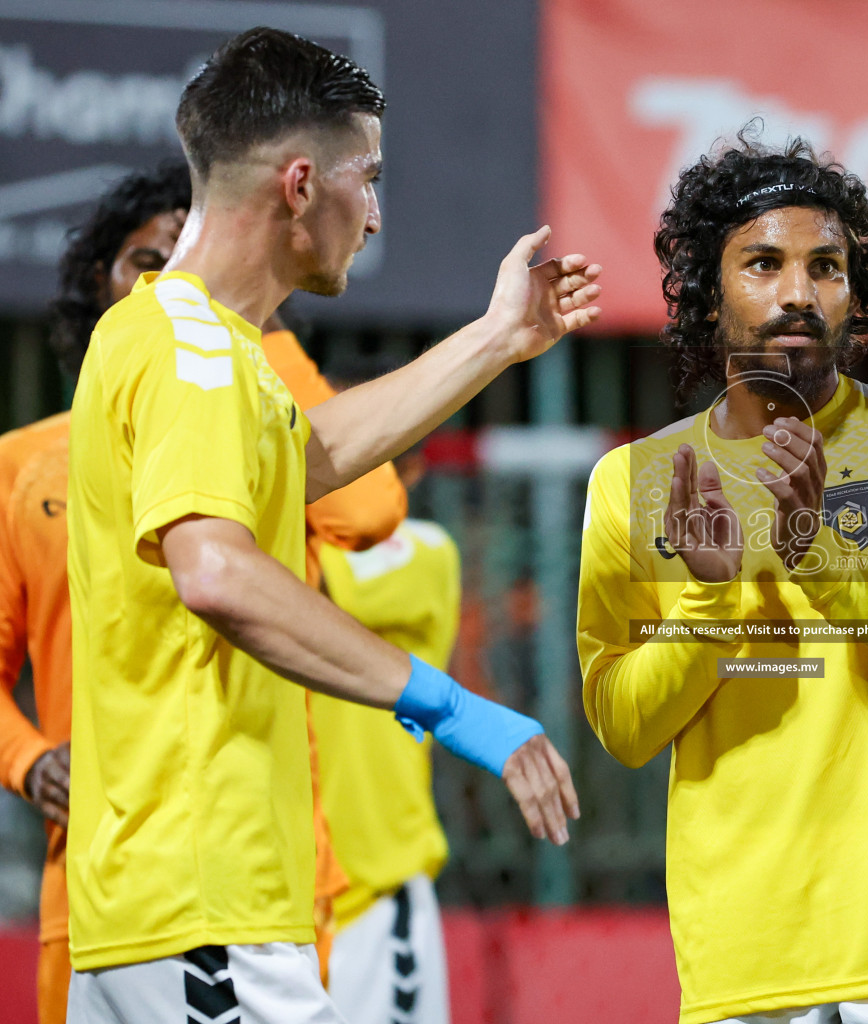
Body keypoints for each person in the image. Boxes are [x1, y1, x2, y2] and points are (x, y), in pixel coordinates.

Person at [64, 27, 597, 1023]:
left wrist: (493, 341)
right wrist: (448, 705)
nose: (381, 216)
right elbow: (216, 571)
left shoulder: (178, 340)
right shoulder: (197, 355)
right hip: (204, 895)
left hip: (159, 900)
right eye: (372, 180)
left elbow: (304, 460)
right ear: (301, 184)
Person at [578, 135, 868, 1024]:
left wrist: (825, 565)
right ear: (707, 294)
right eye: (764, 263)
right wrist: (707, 606)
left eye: (826, 266)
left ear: (855, 293)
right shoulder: (636, 481)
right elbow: (624, 727)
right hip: (745, 965)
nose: (797, 292)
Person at [0, 158, 405, 1024]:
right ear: (95, 285)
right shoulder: (23, 466)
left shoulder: (250, 414)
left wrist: (252, 327)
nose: (173, 282)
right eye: (147, 264)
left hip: (262, 873)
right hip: (110, 876)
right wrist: (26, 758)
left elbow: (372, 512)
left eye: (189, 257)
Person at [310, 426, 460, 1024]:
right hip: (280, 893)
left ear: (413, 473)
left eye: (365, 460)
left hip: (372, 887)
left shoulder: (425, 550)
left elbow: (304, 586)